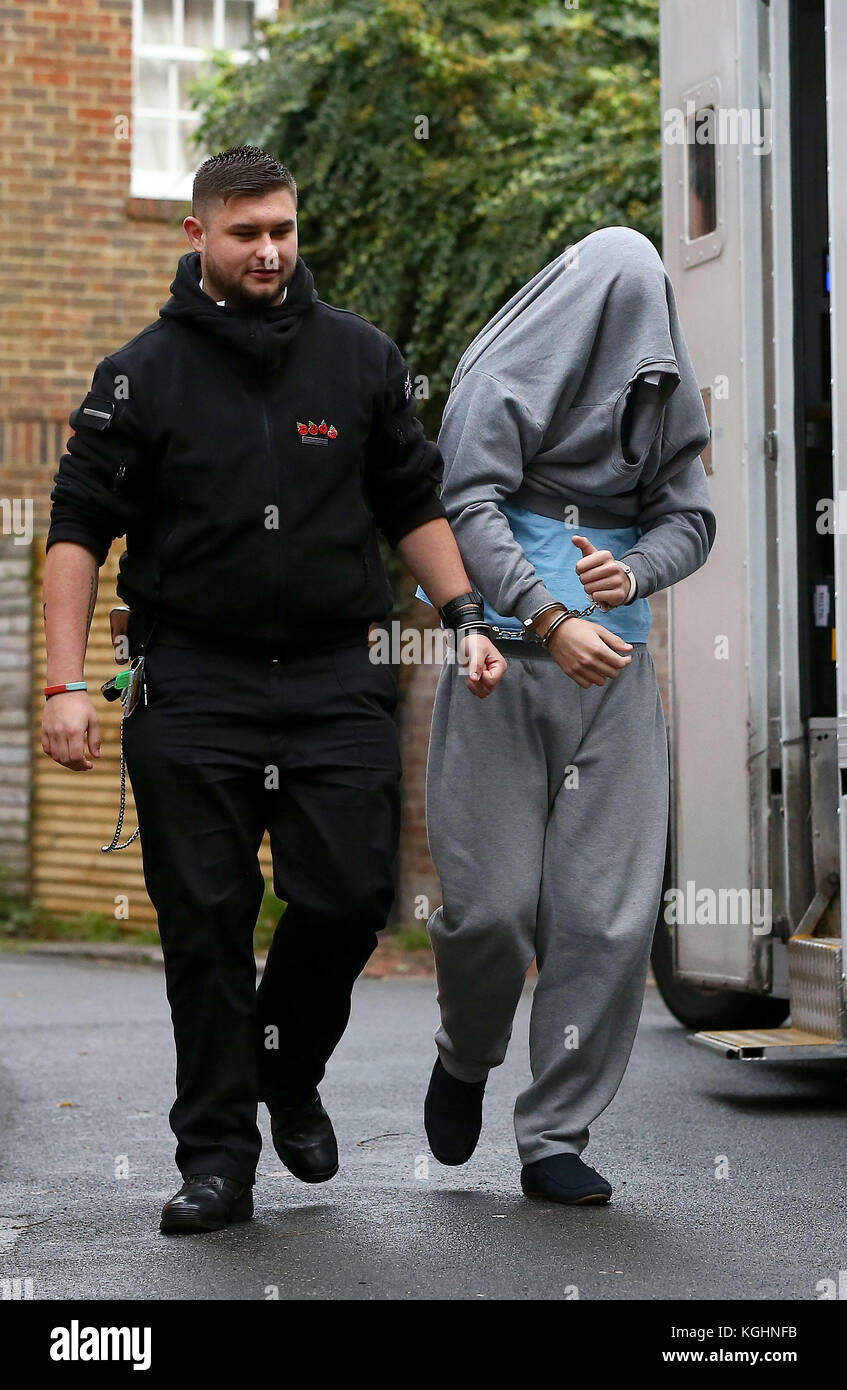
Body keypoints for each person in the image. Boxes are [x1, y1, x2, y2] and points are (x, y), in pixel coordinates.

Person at [41, 145, 506, 1234]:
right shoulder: (137, 375)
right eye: (246, 231)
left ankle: (284, 1071)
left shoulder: (358, 360)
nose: (269, 250)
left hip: (334, 676)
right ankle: (216, 1160)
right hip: (190, 682)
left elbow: (411, 503)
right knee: (203, 926)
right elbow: (74, 531)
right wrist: (64, 683)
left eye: (283, 230)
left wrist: (468, 618)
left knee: (346, 897)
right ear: (195, 234)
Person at [416, 226, 716, 1205]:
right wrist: (547, 611)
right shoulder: (503, 372)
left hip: (614, 672)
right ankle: (465, 1055)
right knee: (489, 909)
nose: (639, 356)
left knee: (608, 914)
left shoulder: (658, 389)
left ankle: (553, 1132)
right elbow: (466, 500)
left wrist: (629, 571)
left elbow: (690, 516)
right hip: (500, 661)